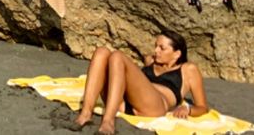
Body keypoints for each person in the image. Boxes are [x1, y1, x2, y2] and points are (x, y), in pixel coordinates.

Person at [73, 31, 209, 134]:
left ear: (177, 54)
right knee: (101, 52)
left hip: (154, 107)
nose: (156, 51)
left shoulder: (188, 70)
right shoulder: (151, 61)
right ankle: (86, 113)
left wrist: (188, 109)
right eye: (156, 46)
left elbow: (203, 107)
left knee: (117, 56)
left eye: (162, 48)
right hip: (123, 103)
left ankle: (108, 121)